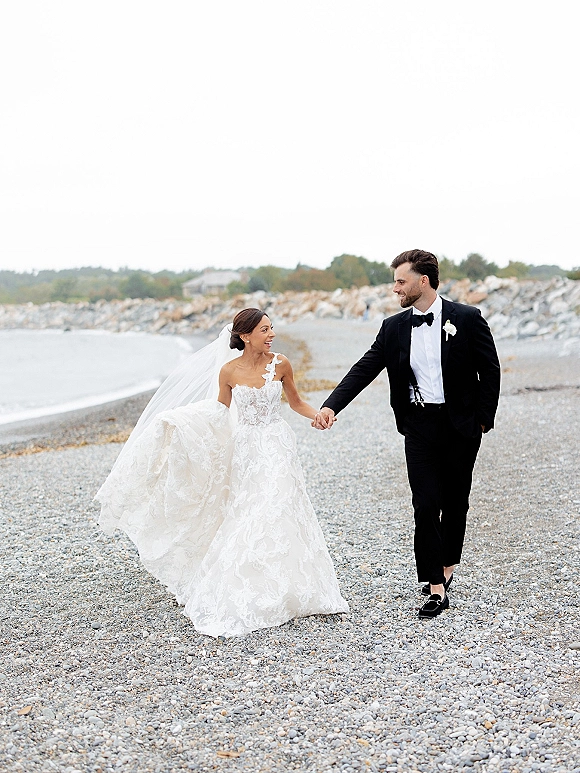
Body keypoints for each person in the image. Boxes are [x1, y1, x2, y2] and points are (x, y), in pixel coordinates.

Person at [95, 308, 348, 637]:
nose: (271, 335)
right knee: (250, 510)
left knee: (281, 506)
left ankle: (294, 586)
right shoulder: (228, 371)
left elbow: (296, 402)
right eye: (264, 330)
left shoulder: (281, 364)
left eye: (272, 329)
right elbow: (218, 412)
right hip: (245, 448)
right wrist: (178, 423)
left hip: (276, 444)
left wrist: (319, 415)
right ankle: (251, 584)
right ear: (245, 336)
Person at [313, 250, 500, 619]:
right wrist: (331, 405)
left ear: (423, 281)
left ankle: (447, 568)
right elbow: (364, 368)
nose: (395, 287)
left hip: (462, 425)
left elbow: (489, 370)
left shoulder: (468, 318)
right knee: (425, 502)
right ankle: (434, 586)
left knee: (456, 501)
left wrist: (482, 420)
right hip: (419, 427)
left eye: (401, 280)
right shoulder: (394, 327)